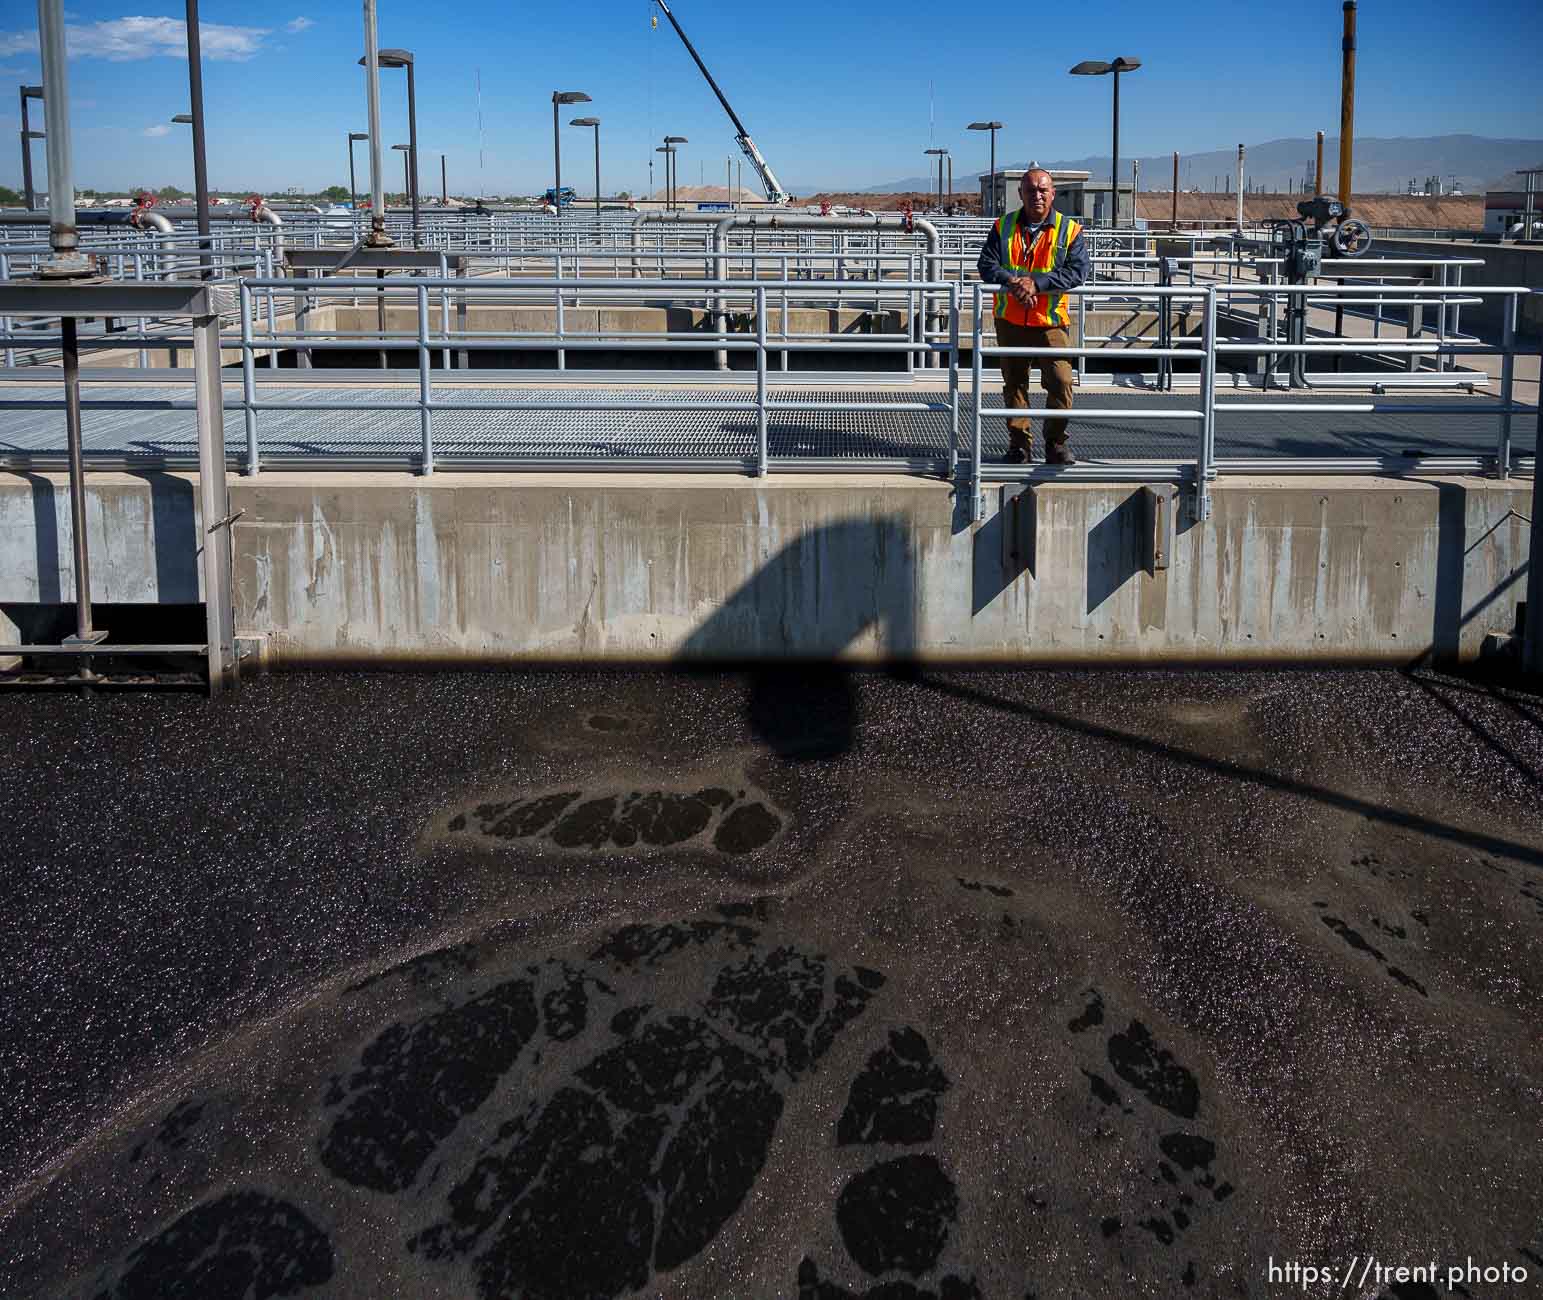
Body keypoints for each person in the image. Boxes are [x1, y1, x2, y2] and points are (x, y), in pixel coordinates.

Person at [976, 169, 1090, 464]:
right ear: (1021, 194)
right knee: (1015, 383)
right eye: (1030, 190)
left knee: (1061, 380)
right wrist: (1014, 281)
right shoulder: (1003, 226)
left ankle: (1055, 442)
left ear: (1053, 194)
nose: (1037, 196)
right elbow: (987, 264)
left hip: (1049, 321)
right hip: (1011, 320)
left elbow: (1077, 272)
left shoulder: (1070, 230)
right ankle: (1019, 445)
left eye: (1043, 190)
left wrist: (1036, 284)